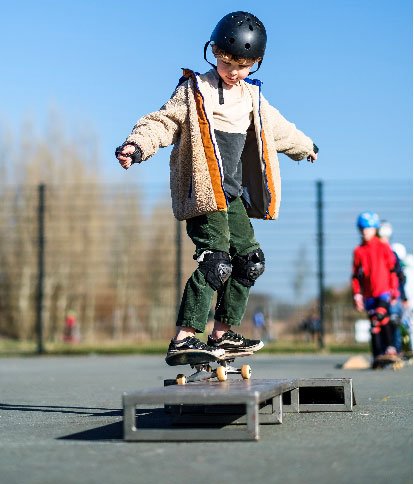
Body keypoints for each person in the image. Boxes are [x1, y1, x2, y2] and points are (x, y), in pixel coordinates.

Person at [115, 11, 318, 364]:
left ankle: (223, 336)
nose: (233, 72)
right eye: (226, 62)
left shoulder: (252, 98)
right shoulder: (195, 90)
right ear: (213, 52)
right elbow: (162, 121)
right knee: (217, 262)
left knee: (250, 261)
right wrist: (136, 145)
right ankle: (183, 338)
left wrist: (307, 147)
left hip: (234, 196)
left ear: (256, 63)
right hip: (205, 192)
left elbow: (280, 130)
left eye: (243, 65)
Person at [352, 212, 399, 367]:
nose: (365, 232)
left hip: (384, 290)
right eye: (362, 229)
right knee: (375, 324)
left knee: (380, 316)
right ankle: (378, 354)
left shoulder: (384, 247)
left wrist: (394, 289)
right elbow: (355, 275)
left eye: (368, 228)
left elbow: (393, 269)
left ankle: (391, 348)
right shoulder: (358, 251)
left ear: (375, 229)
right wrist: (357, 294)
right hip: (368, 294)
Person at [378, 220, 410, 354]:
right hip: (381, 294)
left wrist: (403, 296)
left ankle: (395, 349)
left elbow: (400, 278)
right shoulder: (377, 254)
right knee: (381, 323)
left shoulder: (392, 255)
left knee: (394, 322)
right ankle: (383, 350)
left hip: (393, 295)